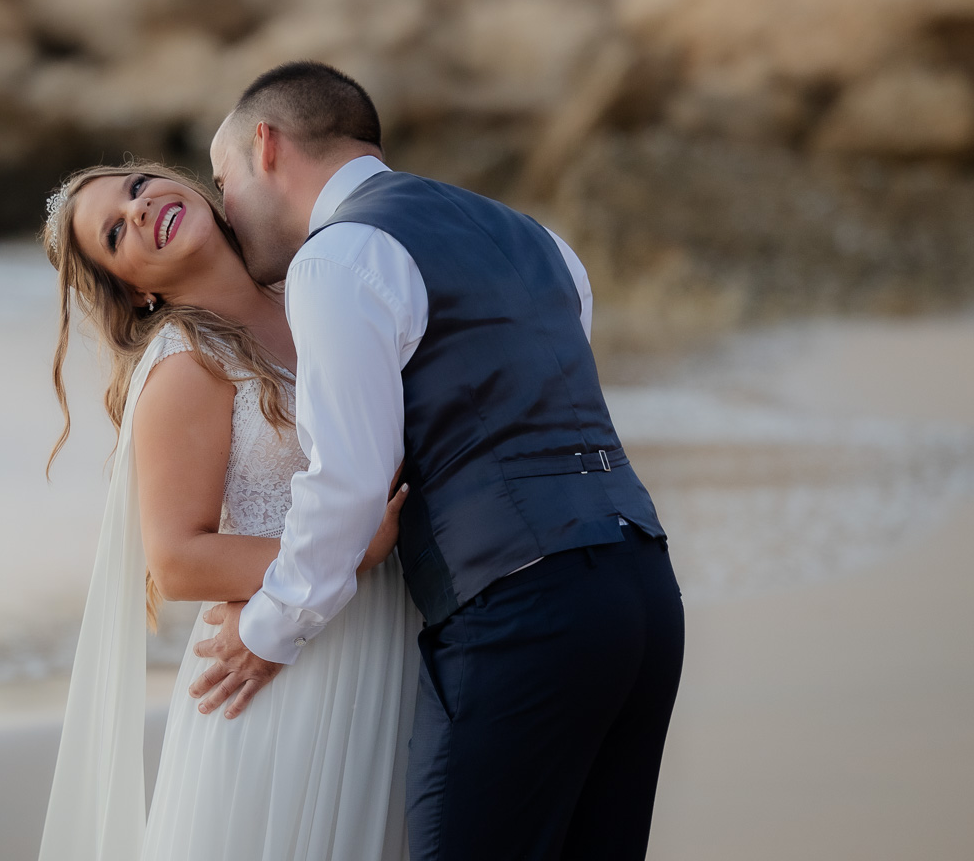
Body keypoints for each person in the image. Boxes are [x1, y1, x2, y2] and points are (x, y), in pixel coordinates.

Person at [197, 61, 685, 861]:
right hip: (644, 588)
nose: (225, 211)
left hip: (520, 610)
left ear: (268, 146)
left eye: (224, 181)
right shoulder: (539, 240)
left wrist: (270, 627)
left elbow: (349, 482)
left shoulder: (341, 256)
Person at [36, 161, 417, 861]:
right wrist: (352, 551)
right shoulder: (188, 364)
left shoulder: (321, 286)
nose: (142, 208)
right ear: (139, 289)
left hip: (391, 637)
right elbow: (177, 560)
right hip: (286, 678)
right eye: (116, 232)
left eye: (136, 186)